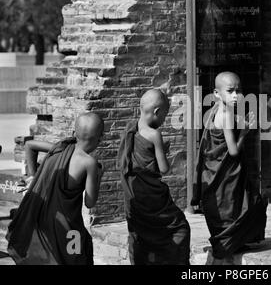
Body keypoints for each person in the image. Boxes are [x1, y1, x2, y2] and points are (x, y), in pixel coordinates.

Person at [6, 112, 104, 264]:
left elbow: (30, 145)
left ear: (73, 133)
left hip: (44, 220)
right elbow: (90, 202)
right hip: (69, 228)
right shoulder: (89, 163)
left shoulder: (59, 148)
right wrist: (98, 177)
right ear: (99, 139)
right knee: (77, 257)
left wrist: (31, 177)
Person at [193, 72, 268, 265]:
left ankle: (232, 242)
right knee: (242, 206)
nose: (236, 96)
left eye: (239, 91)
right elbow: (233, 150)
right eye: (230, 91)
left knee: (231, 208)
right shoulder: (226, 115)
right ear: (217, 93)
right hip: (225, 175)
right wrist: (245, 132)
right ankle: (226, 249)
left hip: (215, 173)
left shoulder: (214, 110)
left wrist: (239, 124)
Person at [118, 89, 191, 265]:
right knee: (180, 227)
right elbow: (164, 169)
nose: (164, 121)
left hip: (135, 197)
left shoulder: (129, 130)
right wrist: (167, 153)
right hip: (153, 198)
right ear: (157, 111)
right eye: (164, 116)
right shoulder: (154, 134)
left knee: (142, 235)